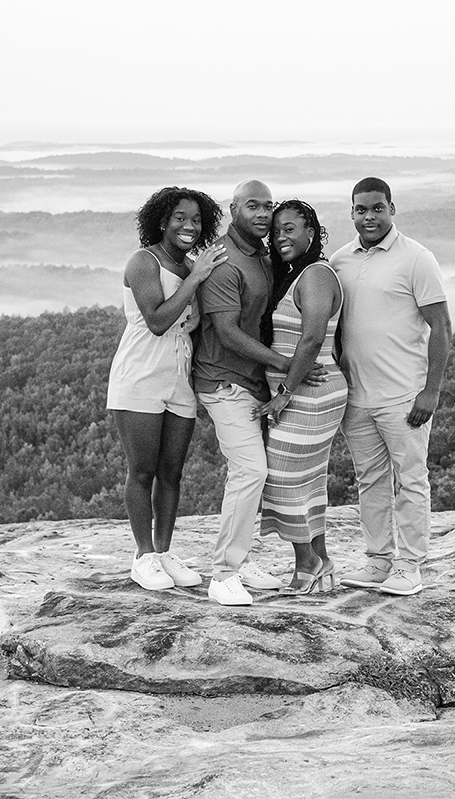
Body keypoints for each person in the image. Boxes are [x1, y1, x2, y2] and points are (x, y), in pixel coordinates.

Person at [194, 180, 321, 606]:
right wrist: (290, 366)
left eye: (268, 205)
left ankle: (244, 560)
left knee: (265, 473)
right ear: (233, 210)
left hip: (254, 383)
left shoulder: (264, 257)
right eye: (253, 206)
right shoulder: (224, 263)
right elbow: (227, 332)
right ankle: (223, 574)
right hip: (224, 382)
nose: (263, 213)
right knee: (250, 471)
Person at [331, 177, 452, 596]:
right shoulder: (339, 261)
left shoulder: (417, 259)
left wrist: (431, 390)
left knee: (412, 479)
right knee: (370, 480)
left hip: (404, 396)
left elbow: (442, 327)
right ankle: (378, 560)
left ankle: (410, 565)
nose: (369, 216)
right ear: (351, 212)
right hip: (356, 396)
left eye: (377, 208)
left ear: (391, 209)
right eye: (361, 209)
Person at [107, 186, 226, 591]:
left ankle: (163, 550)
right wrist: (195, 279)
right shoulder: (144, 262)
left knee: (172, 472)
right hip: (140, 376)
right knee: (142, 470)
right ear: (161, 220)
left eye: (195, 219)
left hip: (179, 378)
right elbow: (157, 320)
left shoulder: (193, 266)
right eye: (179, 217)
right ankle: (143, 556)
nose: (188, 226)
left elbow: (199, 322)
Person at [254, 200, 347, 594]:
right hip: (306, 392)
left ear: (312, 231)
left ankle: (306, 560)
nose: (280, 238)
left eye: (289, 229)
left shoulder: (316, 274)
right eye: (276, 232)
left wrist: (283, 395)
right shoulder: (295, 275)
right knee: (309, 480)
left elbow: (311, 338)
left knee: (280, 476)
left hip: (310, 394)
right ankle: (320, 559)